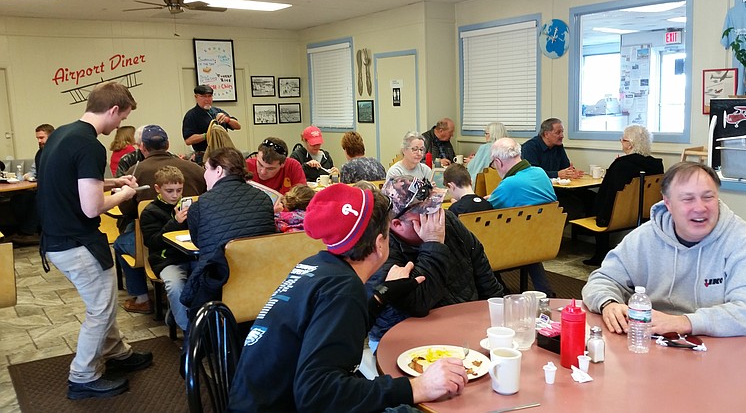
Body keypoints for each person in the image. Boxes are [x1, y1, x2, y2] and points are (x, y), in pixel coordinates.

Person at [228, 183, 468, 412]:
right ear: (379, 244)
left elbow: (330, 329)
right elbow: (317, 394)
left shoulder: (315, 266)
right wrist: (417, 387)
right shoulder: (344, 290)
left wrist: (380, 297)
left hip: (255, 399)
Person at [37, 81, 152, 400]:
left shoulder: (63, 133)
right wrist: (125, 194)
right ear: (113, 110)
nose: (120, 125)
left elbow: (72, 181)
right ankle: (83, 376)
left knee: (101, 304)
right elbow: (91, 207)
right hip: (75, 243)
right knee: (101, 309)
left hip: (56, 239)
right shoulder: (90, 145)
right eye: (122, 117)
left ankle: (118, 353)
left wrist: (113, 181)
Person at [582, 162, 746, 338]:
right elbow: (601, 280)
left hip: (719, 352)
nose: (700, 208)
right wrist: (608, 303)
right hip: (652, 348)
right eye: (687, 199)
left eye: (708, 197)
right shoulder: (644, 237)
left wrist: (684, 322)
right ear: (668, 204)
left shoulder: (741, 239)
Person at [366, 175, 504, 347]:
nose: (437, 216)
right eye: (427, 212)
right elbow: (418, 304)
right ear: (397, 224)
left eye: (437, 207)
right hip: (404, 337)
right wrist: (433, 243)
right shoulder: (380, 249)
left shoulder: (449, 220)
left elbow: (481, 268)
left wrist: (498, 316)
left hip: (461, 324)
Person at [114, 124, 207, 313]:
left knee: (119, 243)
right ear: (168, 144)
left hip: (159, 242)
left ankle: (141, 298)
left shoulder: (134, 172)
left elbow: (126, 209)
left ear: (142, 148)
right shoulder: (195, 168)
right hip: (195, 237)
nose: (174, 194)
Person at [180, 147, 278, 312]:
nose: (204, 175)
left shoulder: (201, 205)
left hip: (219, 286)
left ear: (218, 171)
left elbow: (198, 243)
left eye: (206, 169)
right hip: (261, 282)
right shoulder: (263, 199)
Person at [584, 124, 664, 266]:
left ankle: (600, 253)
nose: (621, 142)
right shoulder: (656, 165)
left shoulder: (621, 165)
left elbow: (607, 192)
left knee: (589, 199)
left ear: (629, 144)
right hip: (644, 213)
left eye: (622, 139)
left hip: (618, 215)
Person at [487, 138, 558, 297]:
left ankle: (500, 289)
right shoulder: (540, 172)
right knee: (528, 238)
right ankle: (545, 291)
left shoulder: (509, 184)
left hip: (515, 245)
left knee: (478, 244)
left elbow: (484, 210)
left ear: (498, 162)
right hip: (542, 239)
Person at [139, 165, 193, 332]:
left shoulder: (188, 205)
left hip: (191, 256)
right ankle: (188, 330)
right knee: (175, 285)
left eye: (179, 190)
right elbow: (153, 242)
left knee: (210, 278)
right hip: (165, 259)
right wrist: (175, 223)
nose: (175, 195)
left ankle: (196, 319)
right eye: (169, 190)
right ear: (158, 188)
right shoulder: (150, 212)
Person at [7, 123, 53, 246]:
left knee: (35, 198)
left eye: (42, 137)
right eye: (37, 138)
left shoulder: (57, 152)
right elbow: (35, 171)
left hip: (54, 190)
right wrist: (20, 178)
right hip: (41, 187)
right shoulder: (40, 153)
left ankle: (29, 233)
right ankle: (22, 231)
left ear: (51, 136)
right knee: (18, 198)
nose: (39, 141)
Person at [182, 85, 241, 163]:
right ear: (196, 97)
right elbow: (188, 140)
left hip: (223, 154)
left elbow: (238, 126)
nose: (207, 99)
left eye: (209, 96)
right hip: (204, 156)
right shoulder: (191, 115)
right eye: (203, 96)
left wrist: (228, 120)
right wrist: (208, 135)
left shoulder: (217, 111)